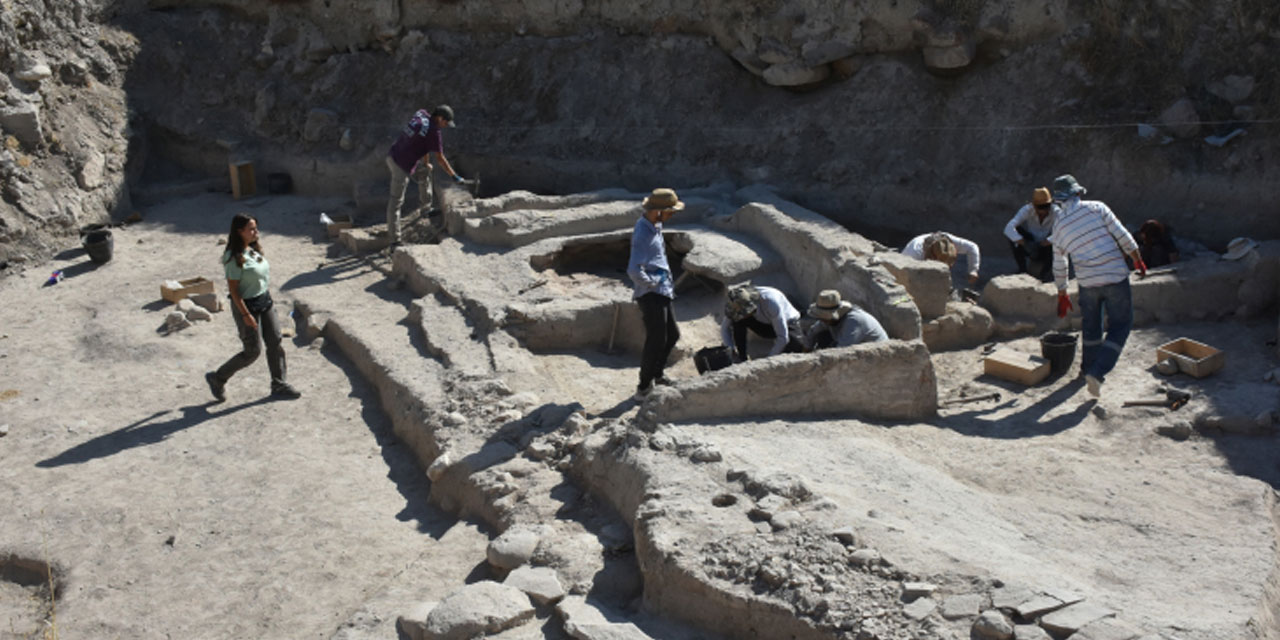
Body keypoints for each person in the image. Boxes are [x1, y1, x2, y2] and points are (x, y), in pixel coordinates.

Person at [1049, 174, 1145, 398]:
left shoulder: (1059, 227)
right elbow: (1122, 235)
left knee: (1091, 326)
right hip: (1115, 276)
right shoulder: (1097, 208)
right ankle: (1098, 372)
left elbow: (1059, 263)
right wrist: (1137, 258)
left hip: (1087, 283)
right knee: (1121, 325)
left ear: (1058, 200)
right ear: (1078, 193)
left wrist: (1062, 292)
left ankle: (1086, 369)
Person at [206, 214, 301, 401]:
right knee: (252, 351)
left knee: (275, 341)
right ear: (239, 231)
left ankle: (279, 384)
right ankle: (218, 378)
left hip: (265, 301)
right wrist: (246, 315)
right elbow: (233, 291)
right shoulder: (233, 258)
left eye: (256, 228)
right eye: (251, 229)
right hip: (246, 306)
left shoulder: (253, 250)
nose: (256, 232)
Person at [626, 188, 683, 400]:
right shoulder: (643, 233)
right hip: (652, 295)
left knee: (672, 335)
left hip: (663, 290)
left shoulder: (655, 226)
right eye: (670, 211)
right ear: (658, 211)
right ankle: (643, 388)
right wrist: (650, 284)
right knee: (656, 340)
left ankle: (657, 375)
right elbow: (633, 269)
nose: (672, 215)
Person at [385, 105, 465, 245]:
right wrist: (454, 176)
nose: (445, 126)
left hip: (394, 153)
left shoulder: (421, 113)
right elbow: (440, 158)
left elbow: (423, 142)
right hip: (400, 165)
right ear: (439, 118)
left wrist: (426, 163)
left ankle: (425, 209)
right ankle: (394, 241)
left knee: (425, 170)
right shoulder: (434, 132)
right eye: (445, 123)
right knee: (396, 202)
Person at [721, 284, 805, 361]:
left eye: (745, 313)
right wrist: (730, 349)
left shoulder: (771, 303)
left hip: (788, 323)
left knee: (796, 346)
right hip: (763, 324)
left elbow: (783, 338)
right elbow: (724, 328)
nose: (743, 316)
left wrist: (767, 361)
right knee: (738, 321)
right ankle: (742, 357)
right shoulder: (736, 301)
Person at [804, 289, 889, 350]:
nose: (823, 321)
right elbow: (813, 331)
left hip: (876, 356)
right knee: (821, 336)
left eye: (825, 319)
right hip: (854, 347)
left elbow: (841, 352)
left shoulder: (854, 321)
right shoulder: (829, 320)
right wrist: (806, 349)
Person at [1003, 187, 1057, 280]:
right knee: (1016, 231)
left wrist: (1049, 241)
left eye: (1046, 207)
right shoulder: (1027, 209)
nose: (1043, 211)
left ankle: (1045, 273)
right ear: (1034, 206)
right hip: (1031, 244)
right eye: (1040, 208)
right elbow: (1008, 228)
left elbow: (1066, 231)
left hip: (1047, 248)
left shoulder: (1056, 211)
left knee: (1059, 241)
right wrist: (1023, 242)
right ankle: (1022, 269)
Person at [902, 231, 981, 285]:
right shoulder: (913, 255)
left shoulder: (946, 241)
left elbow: (972, 247)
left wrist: (973, 270)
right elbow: (905, 277)